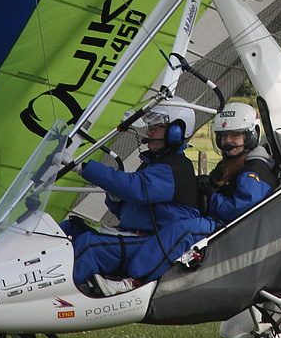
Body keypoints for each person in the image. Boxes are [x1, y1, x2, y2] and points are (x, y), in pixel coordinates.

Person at [65, 105, 215, 296]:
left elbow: (136, 189)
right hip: (135, 235)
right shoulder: (153, 165)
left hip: (153, 243)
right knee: (69, 228)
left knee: (90, 245)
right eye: (149, 127)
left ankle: (57, 299)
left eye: (155, 127)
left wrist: (83, 168)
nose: (149, 132)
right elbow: (129, 210)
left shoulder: (174, 168)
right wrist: (115, 198)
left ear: (176, 132)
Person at [201, 102, 277, 225]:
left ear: (251, 135)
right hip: (214, 223)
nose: (227, 141)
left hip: (227, 230)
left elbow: (237, 210)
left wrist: (210, 197)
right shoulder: (226, 164)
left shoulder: (254, 170)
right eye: (224, 135)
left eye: (235, 134)